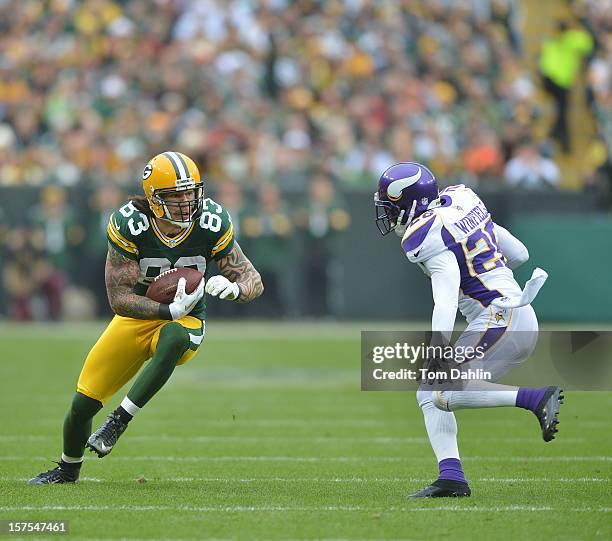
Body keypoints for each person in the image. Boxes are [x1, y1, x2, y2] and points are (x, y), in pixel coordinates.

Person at [29, 151, 263, 484]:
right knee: (83, 403)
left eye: (190, 192)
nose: (186, 202)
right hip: (137, 316)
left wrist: (237, 289)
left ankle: (118, 421)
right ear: (154, 199)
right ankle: (68, 469)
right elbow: (118, 298)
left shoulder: (211, 220)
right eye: (175, 195)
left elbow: (251, 277)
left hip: (187, 321)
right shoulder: (130, 223)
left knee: (173, 336)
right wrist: (164, 309)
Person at [374, 162, 563, 498]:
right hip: (516, 312)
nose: (389, 216)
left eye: (392, 208)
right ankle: (452, 478)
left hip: (499, 318)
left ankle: (534, 398)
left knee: (441, 391)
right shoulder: (462, 198)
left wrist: (438, 350)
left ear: (410, 203)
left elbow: (445, 300)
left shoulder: (425, 236)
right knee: (428, 394)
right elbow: (519, 253)